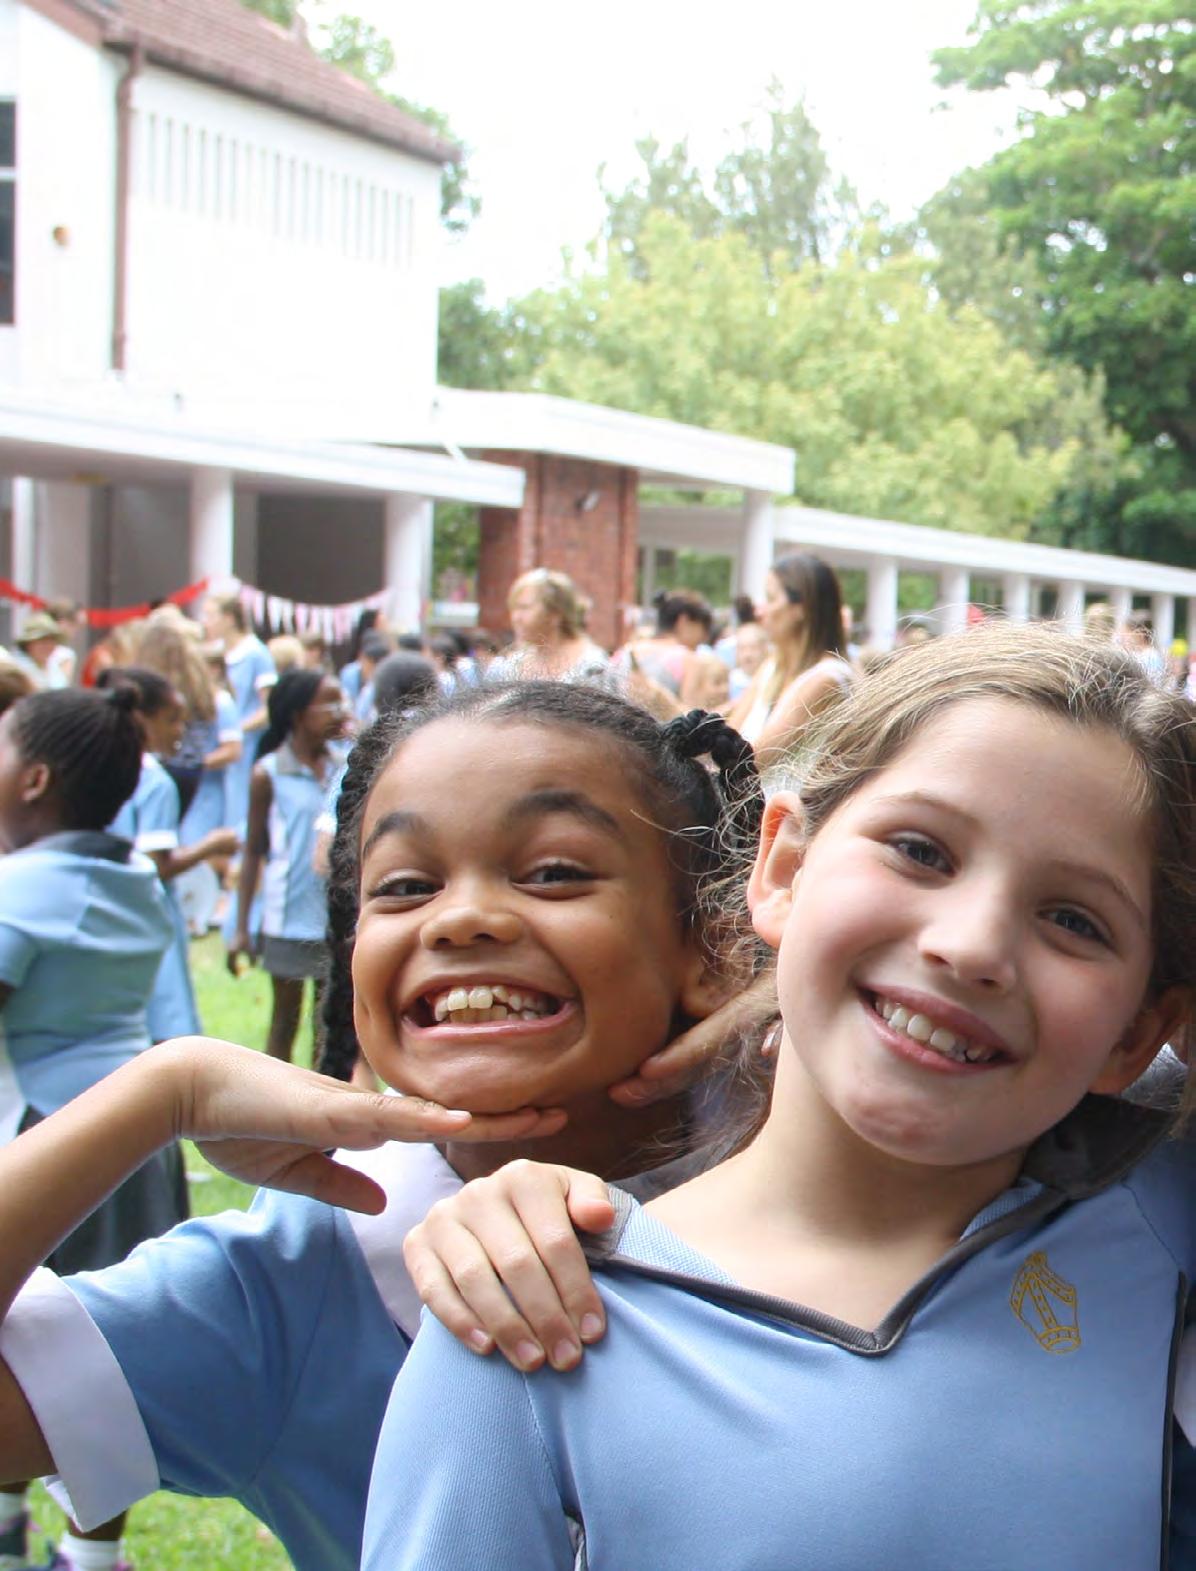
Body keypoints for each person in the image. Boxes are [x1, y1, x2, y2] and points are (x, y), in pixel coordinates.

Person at [364, 623, 1196, 1571]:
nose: (971, 945)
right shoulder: (525, 1317)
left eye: (1074, 919)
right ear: (785, 867)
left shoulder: (1159, 1205)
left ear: (1139, 1030)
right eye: (920, 851)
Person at [0, 682, 764, 1571]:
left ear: (712, 947)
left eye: (554, 871)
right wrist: (166, 1089)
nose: (461, 917)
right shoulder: (288, 1285)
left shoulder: (833, 1176)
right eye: (404, 885)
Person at [0, 685, 181, 1571]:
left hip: (41, 1141)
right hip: (133, 1138)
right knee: (106, 1352)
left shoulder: (20, 888)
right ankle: (92, 1553)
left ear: (33, 778)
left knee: (16, 1336)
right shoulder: (134, 875)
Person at [100, 668, 238, 1041]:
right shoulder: (155, 781)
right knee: (163, 1021)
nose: (181, 730)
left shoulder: (99, 772)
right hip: (149, 912)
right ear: (142, 719)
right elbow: (157, 865)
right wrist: (212, 845)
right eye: (173, 719)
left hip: (109, 912)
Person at [227, 669, 349, 1062]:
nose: (340, 711)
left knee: (328, 1025)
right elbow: (253, 851)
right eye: (329, 704)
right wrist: (242, 926)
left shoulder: (344, 768)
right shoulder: (268, 773)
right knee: (284, 1020)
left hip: (332, 917)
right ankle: (275, 1099)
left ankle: (319, 1095)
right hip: (287, 917)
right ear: (298, 715)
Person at [728, 552, 851, 766]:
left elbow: (750, 762)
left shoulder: (827, 678)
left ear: (800, 608)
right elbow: (727, 734)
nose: (759, 611)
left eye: (770, 599)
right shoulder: (772, 667)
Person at [200, 595, 275, 830]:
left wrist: (236, 728)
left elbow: (268, 708)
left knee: (238, 810)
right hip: (217, 748)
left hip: (245, 748)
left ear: (229, 618)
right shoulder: (214, 652)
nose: (206, 622)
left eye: (211, 615)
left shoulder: (255, 653)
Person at [491, 569, 610, 684]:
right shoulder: (513, 665)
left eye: (524, 608)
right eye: (514, 608)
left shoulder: (591, 666)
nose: (516, 618)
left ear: (555, 613)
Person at [612, 590, 713, 705]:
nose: (704, 638)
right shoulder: (689, 661)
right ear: (683, 621)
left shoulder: (623, 652)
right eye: (704, 629)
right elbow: (692, 714)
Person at [10, 613, 67, 693]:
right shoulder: (17, 669)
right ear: (28, 644)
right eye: (43, 641)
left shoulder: (54, 667)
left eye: (52, 641)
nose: (48, 646)